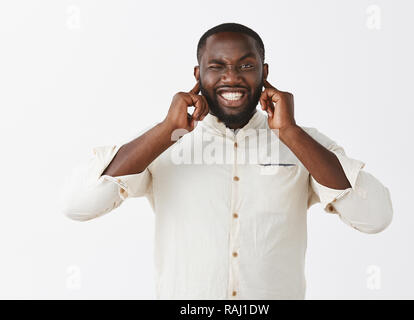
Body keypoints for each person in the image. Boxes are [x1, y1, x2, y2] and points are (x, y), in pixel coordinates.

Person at [61, 22, 393, 299]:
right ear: (198, 73)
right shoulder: (162, 142)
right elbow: (77, 205)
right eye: (216, 66)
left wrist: (290, 133)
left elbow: (375, 217)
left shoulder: (302, 141)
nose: (231, 77)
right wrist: (165, 132)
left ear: (264, 73)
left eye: (246, 66)